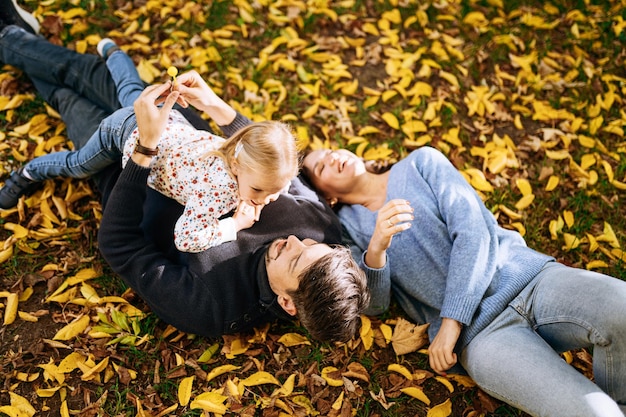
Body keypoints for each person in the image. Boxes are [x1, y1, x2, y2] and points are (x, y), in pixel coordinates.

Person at [0, 9, 370, 342]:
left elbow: (119, 247)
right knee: (82, 72)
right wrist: (216, 107)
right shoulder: (321, 229)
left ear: (288, 303)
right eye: (308, 246)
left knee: (67, 98)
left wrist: (143, 151)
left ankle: (13, 33)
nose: (294, 241)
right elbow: (270, 160)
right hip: (177, 125)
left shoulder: (212, 307)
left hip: (122, 165)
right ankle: (12, 34)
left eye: (294, 258)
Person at [302, 147, 626, 416]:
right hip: (484, 338)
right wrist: (377, 247)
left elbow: (473, 231)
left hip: (529, 279)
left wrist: (452, 320)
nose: (332, 157)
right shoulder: (347, 232)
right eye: (321, 166)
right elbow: (375, 303)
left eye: (331, 150)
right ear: (326, 197)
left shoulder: (421, 163)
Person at [0, 39, 300, 254]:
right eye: (259, 190)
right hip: (129, 134)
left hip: (168, 120)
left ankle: (113, 52)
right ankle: (27, 173)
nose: (266, 198)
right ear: (236, 166)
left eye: (275, 189)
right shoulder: (218, 191)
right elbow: (186, 239)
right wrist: (233, 225)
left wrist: (273, 189)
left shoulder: (246, 154)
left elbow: (276, 175)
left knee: (131, 91)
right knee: (77, 165)